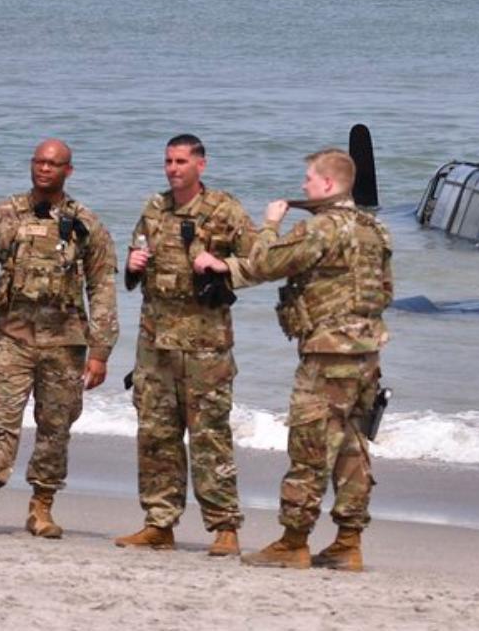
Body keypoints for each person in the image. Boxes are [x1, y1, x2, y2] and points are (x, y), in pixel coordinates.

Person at [195, 147, 392, 571]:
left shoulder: (319, 228)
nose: (303, 185)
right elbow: (386, 290)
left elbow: (267, 262)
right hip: (367, 352)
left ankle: (293, 540)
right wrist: (225, 267)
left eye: (308, 179)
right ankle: (349, 541)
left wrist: (270, 223)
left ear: (325, 184)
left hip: (327, 354)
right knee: (353, 449)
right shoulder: (375, 231)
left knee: (310, 445)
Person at [0, 138, 119, 538]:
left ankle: (42, 508)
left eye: (53, 163)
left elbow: (103, 289)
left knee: (56, 428)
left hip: (65, 345)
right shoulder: (3, 216)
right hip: (12, 338)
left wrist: (101, 350)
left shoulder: (86, 224)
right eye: (39, 162)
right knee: (0, 424)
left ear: (68, 170)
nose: (44, 169)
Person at [114, 134, 255, 556]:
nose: (173, 169)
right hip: (155, 343)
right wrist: (132, 265)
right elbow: (136, 255)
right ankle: (160, 523)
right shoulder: (154, 208)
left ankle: (225, 527)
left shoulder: (224, 210)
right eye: (168, 162)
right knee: (155, 434)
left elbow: (260, 260)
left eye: (180, 161)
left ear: (201, 165)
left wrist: (222, 264)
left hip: (205, 346)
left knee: (210, 435)